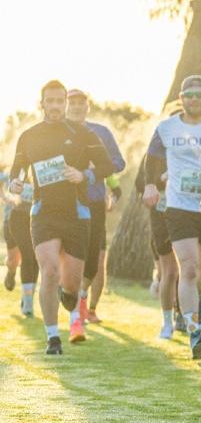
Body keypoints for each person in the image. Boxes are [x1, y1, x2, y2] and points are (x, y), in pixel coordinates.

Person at [7, 80, 115, 353]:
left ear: (65, 103)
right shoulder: (29, 136)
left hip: (76, 214)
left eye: (59, 101)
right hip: (43, 212)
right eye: (50, 101)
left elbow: (107, 165)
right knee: (50, 270)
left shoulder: (82, 134)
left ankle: (67, 300)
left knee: (71, 284)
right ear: (41, 103)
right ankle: (53, 337)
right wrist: (15, 184)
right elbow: (16, 171)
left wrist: (84, 175)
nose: (55, 106)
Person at [144, 75, 201, 359]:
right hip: (179, 209)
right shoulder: (167, 128)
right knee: (188, 269)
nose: (194, 99)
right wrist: (151, 184)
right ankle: (194, 332)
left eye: (199, 95)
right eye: (189, 95)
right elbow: (151, 159)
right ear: (181, 99)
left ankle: (190, 299)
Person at [64, 89, 126, 332]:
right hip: (65, 203)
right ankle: (73, 301)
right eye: (73, 103)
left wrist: (96, 167)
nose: (77, 107)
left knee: (94, 258)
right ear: (67, 106)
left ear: (88, 106)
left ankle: (82, 301)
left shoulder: (101, 132)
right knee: (68, 257)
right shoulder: (60, 131)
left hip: (95, 201)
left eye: (82, 103)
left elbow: (118, 163)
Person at [136, 151, 182, 339]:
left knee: (189, 270)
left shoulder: (194, 148)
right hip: (161, 217)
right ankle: (167, 322)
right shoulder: (153, 154)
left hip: (188, 215)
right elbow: (140, 184)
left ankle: (185, 314)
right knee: (169, 272)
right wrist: (160, 180)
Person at [5, 170, 39, 316]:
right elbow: (5, 188)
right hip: (15, 218)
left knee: (33, 257)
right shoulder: (19, 169)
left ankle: (28, 300)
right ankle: (11, 273)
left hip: (36, 218)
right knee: (14, 259)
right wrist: (11, 197)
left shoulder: (44, 168)